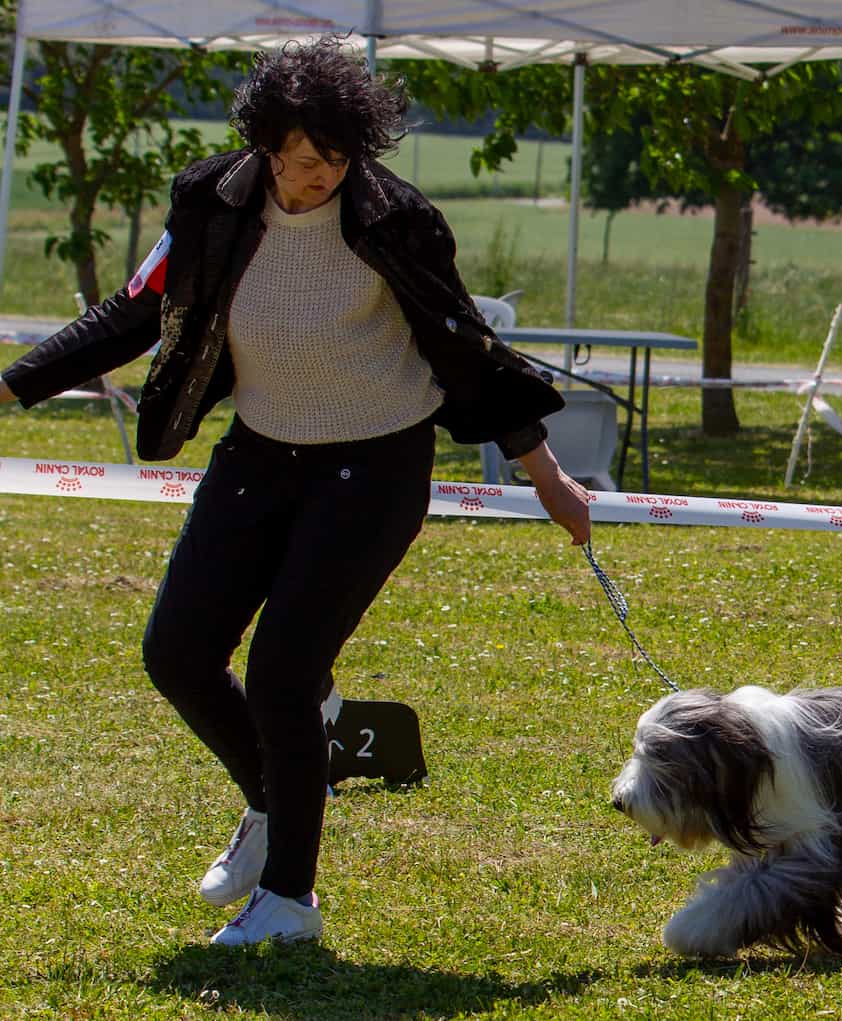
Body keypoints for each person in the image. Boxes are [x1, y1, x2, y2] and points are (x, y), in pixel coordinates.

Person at [0, 36, 591, 946]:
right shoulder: (211, 198)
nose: (313, 179)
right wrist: (11, 387)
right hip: (258, 453)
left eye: (332, 162)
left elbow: (466, 347)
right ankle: (273, 802)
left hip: (375, 467)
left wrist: (544, 472)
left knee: (282, 672)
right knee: (177, 652)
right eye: (297, 159)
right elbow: (134, 311)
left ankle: (288, 901)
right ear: (264, 144)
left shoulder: (398, 219)